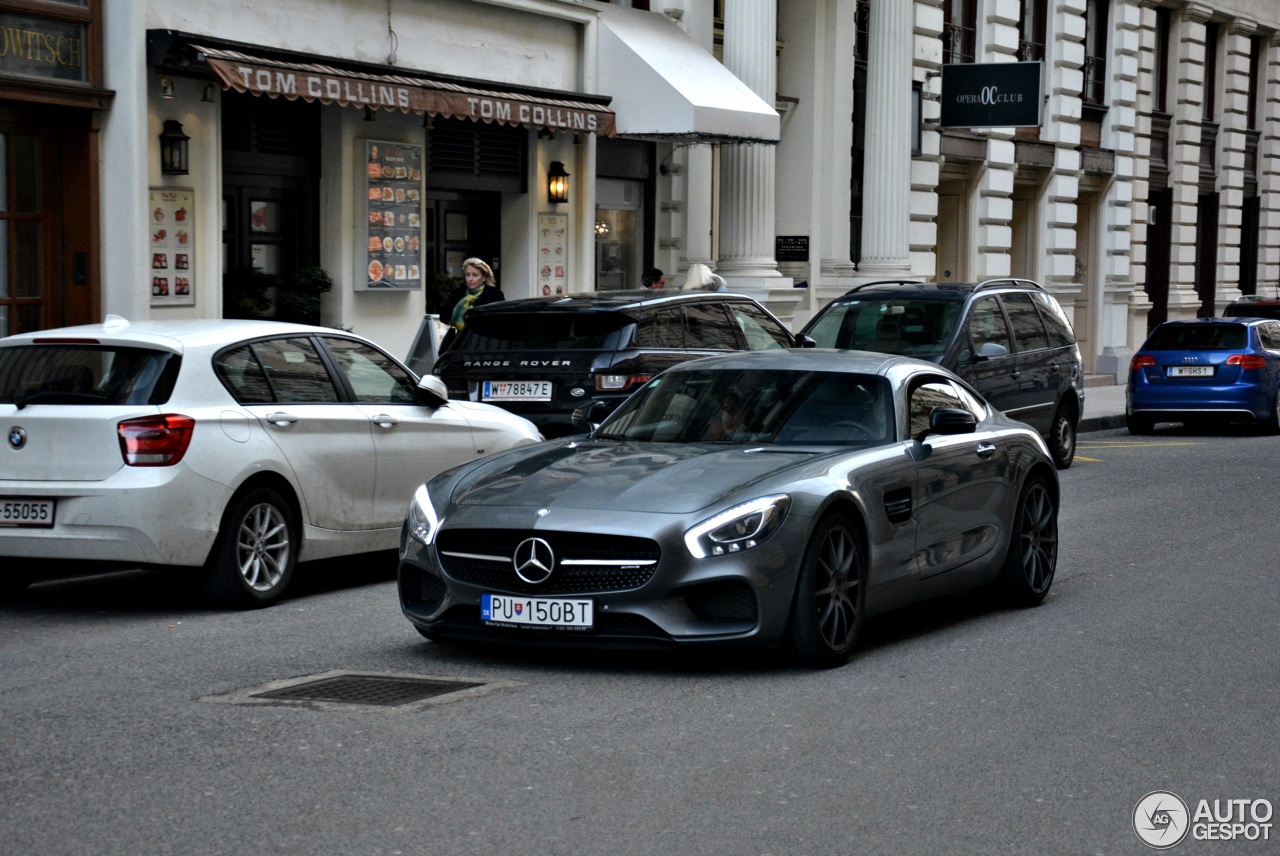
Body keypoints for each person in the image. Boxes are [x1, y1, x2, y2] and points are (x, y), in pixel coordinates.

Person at [440, 258, 504, 349]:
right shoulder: (459, 293)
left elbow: (499, 322)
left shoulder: (494, 295)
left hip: (482, 343)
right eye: (467, 275)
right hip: (459, 342)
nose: (470, 279)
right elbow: (444, 317)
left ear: (484, 277)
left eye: (475, 275)